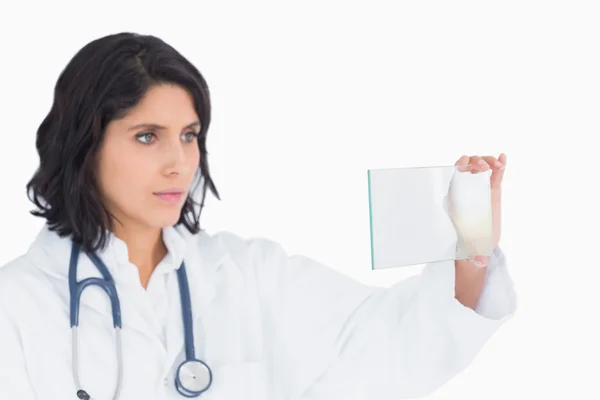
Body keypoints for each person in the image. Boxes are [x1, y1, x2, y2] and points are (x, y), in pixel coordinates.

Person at [0, 32, 516, 400]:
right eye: (146, 136)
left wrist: (470, 244)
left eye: (189, 134)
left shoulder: (247, 276)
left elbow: (389, 345)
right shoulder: (17, 305)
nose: (179, 161)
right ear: (84, 146)